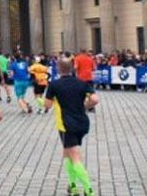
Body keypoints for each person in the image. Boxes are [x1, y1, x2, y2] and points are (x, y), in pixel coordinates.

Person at [45, 58, 100, 196]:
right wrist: (85, 106)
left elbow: (47, 105)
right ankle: (72, 186)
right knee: (67, 153)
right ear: (73, 68)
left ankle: (89, 190)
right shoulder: (82, 83)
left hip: (66, 125)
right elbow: (95, 99)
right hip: (82, 123)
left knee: (74, 156)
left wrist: (41, 101)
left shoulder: (54, 85)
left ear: (58, 69)